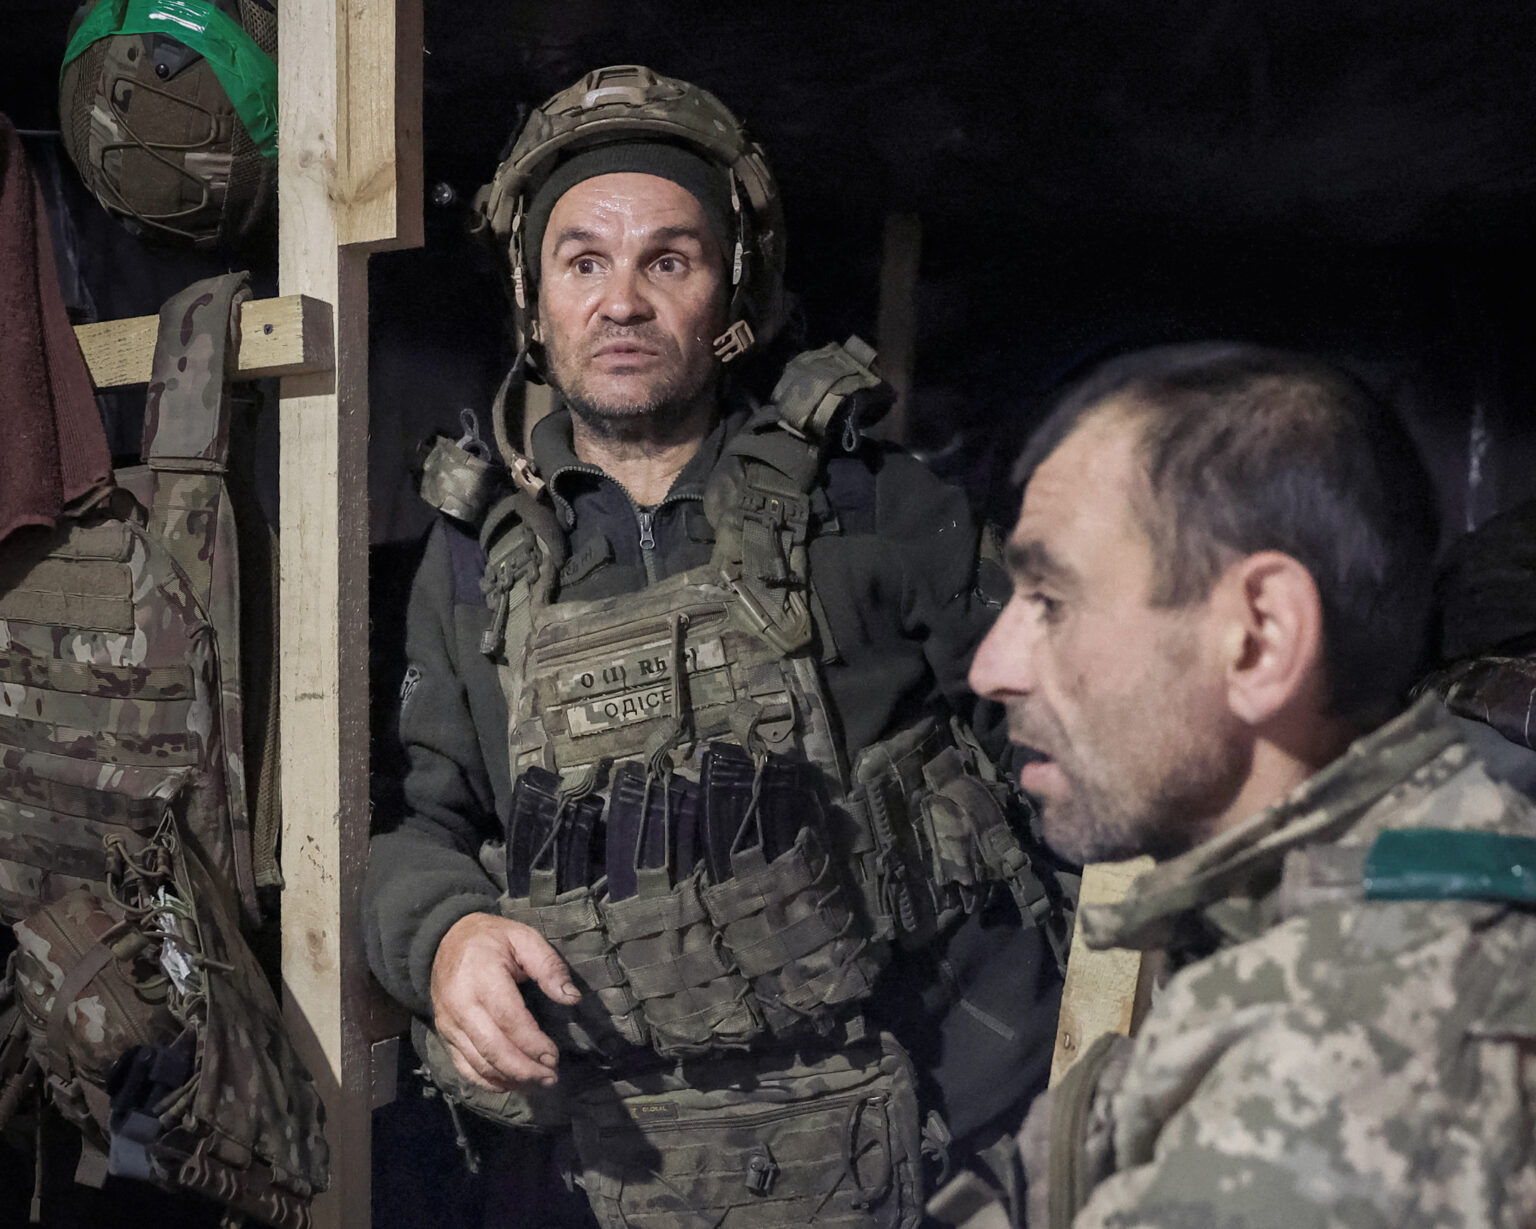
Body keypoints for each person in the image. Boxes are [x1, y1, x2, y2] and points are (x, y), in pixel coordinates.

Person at [363, 66, 1068, 1229]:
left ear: (732, 287)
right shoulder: (470, 559)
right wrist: (444, 939)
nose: (623, 301)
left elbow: (1087, 778)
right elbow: (418, 826)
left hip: (943, 1164)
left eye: (668, 260)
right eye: (583, 261)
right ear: (533, 301)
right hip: (610, 1178)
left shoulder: (881, 508)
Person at [964, 341, 1536, 1228]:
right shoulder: (1416, 841)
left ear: (1260, 638)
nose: (993, 666)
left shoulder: (1327, 1081)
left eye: (1052, 600)